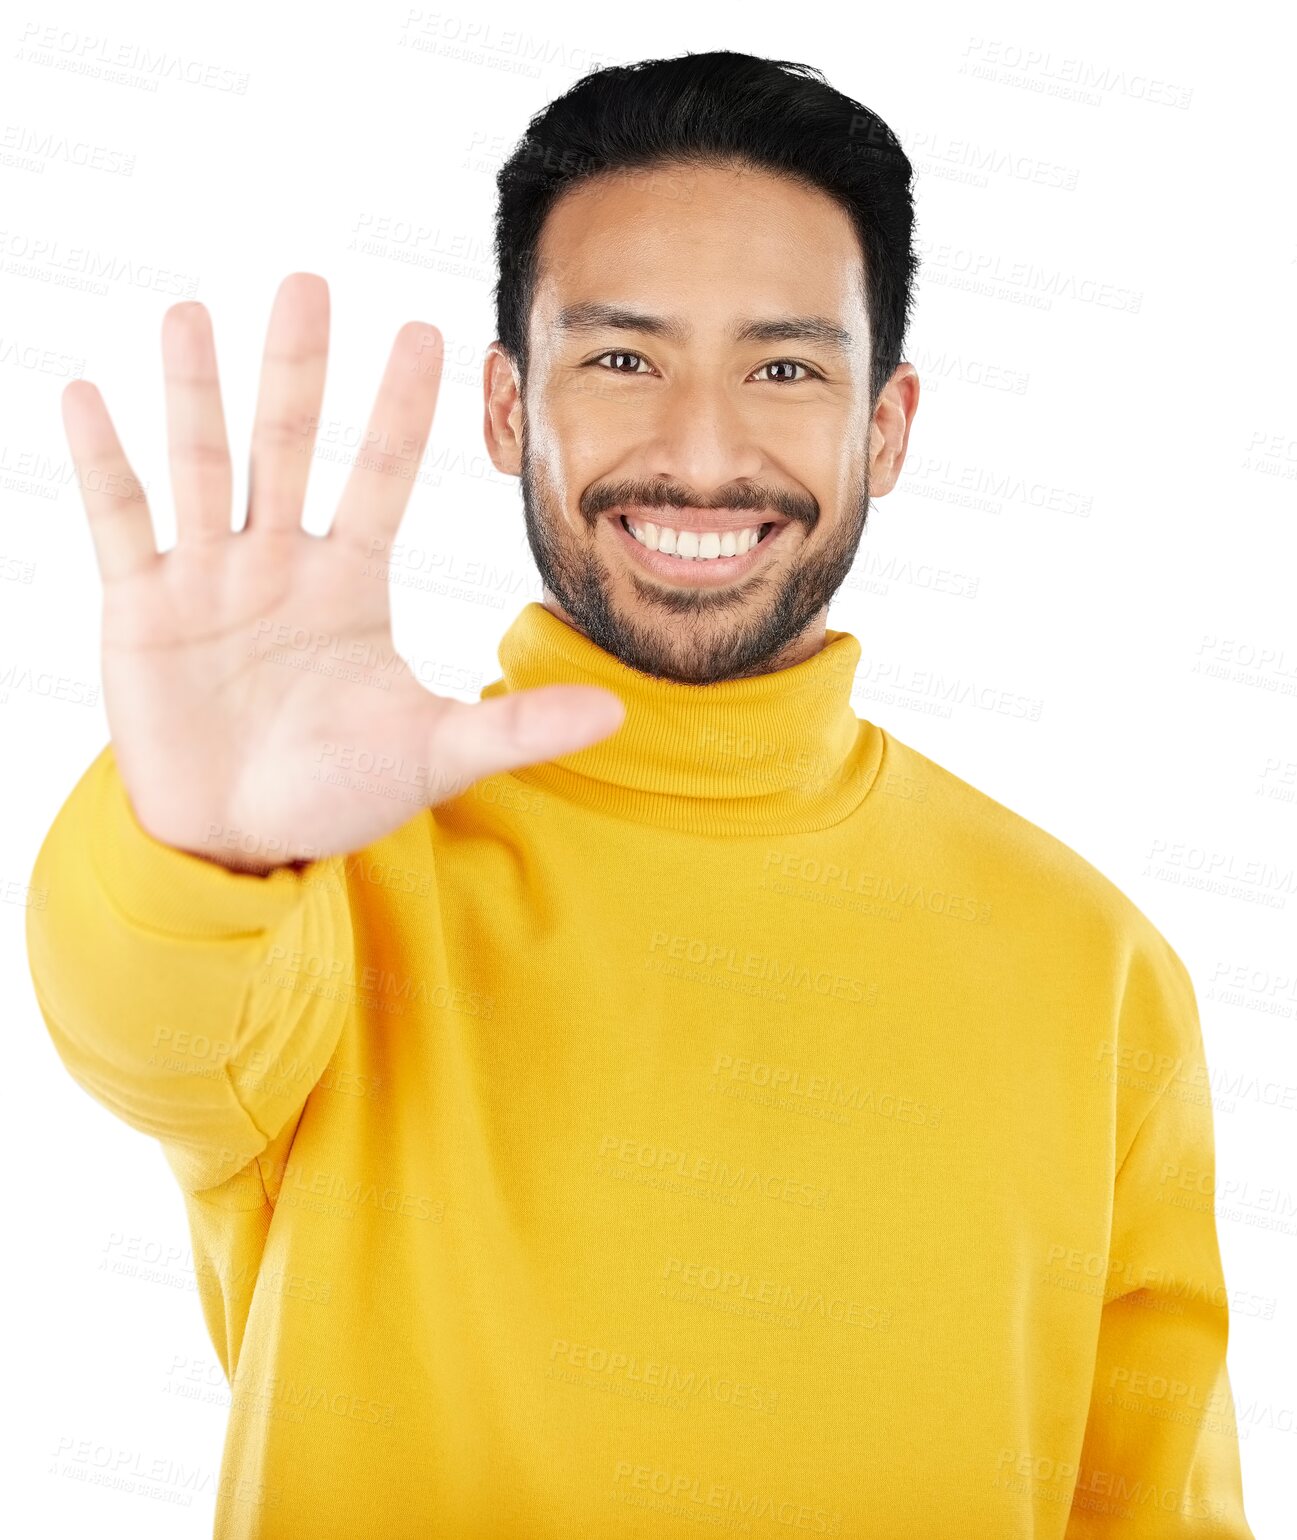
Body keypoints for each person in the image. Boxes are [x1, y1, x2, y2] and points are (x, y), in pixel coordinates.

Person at [27, 50, 1255, 1540]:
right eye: (621, 359)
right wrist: (198, 840)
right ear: (505, 407)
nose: (700, 453)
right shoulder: (330, 872)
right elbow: (146, 1028)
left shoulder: (1095, 965)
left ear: (888, 423)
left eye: (785, 367)